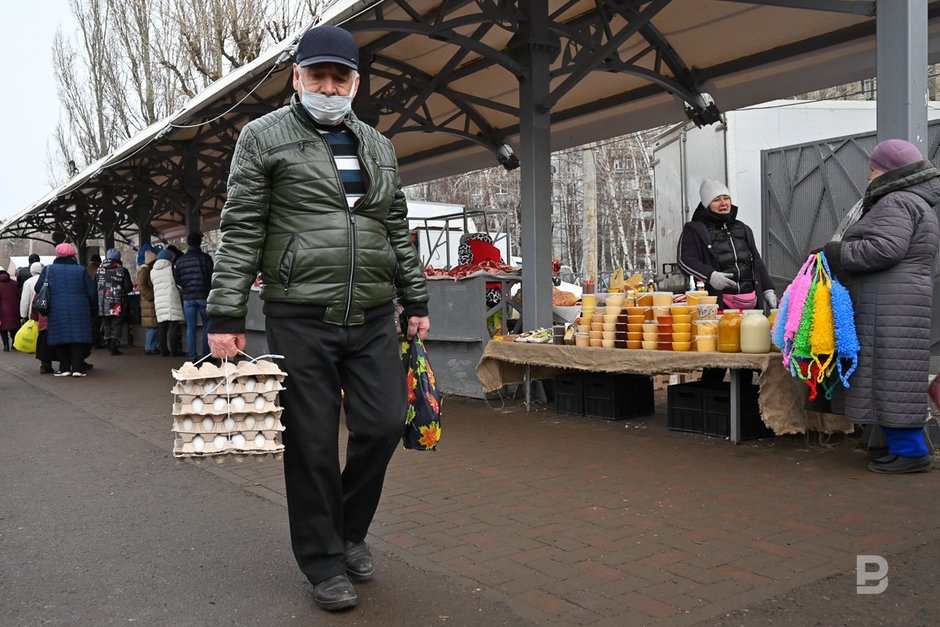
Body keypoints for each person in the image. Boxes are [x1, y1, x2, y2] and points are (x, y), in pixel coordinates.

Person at [206, 25, 430, 612]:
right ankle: (324, 561)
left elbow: (395, 229)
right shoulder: (262, 138)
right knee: (309, 441)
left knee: (382, 426)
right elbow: (242, 229)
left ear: (356, 83)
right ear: (297, 79)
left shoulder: (378, 145)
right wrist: (226, 312)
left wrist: (417, 301)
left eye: (340, 78)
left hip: (375, 313)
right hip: (300, 314)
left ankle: (348, 530)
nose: (328, 87)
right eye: (317, 76)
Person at [823, 139, 940, 474]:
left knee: (891, 375)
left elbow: (884, 249)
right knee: (896, 375)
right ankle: (901, 447)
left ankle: (911, 454)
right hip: (900, 303)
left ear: (889, 170)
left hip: (890, 306)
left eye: (873, 169)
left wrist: (837, 253)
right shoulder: (917, 201)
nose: (869, 177)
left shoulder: (897, 201)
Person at [678, 180, 777, 383]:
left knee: (745, 358)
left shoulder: (743, 228)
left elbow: (756, 261)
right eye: (717, 199)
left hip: (750, 307)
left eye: (726, 198)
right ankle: (712, 402)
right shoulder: (695, 229)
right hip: (719, 307)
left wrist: (768, 289)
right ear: (706, 204)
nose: (723, 203)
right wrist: (710, 276)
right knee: (716, 360)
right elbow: (685, 260)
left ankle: (742, 404)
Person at [34, 243, 96, 376]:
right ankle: (78, 369)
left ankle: (64, 368)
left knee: (60, 337)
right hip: (80, 308)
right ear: (73, 255)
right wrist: (93, 310)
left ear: (57, 255)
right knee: (78, 338)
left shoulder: (48, 270)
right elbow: (92, 292)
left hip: (57, 308)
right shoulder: (81, 270)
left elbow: (38, 288)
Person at [174, 232, 213, 361]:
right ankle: (206, 356)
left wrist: (186, 286)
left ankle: (193, 357)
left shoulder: (180, 260)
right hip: (203, 295)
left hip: (188, 297)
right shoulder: (205, 258)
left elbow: (177, 279)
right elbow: (211, 276)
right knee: (207, 324)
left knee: (190, 327)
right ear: (199, 243)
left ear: (188, 243)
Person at [96, 248, 133, 355]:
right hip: (117, 303)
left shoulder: (99, 270)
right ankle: (113, 348)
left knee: (106, 324)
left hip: (102, 303)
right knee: (116, 325)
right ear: (119, 258)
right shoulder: (122, 270)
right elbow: (128, 287)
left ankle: (108, 345)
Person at [19, 261, 53, 373]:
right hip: (53, 317)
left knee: (43, 340)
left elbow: (25, 300)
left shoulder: (29, 282)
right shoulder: (52, 280)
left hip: (40, 315)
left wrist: (24, 315)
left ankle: (45, 364)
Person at [150, 249, 185, 357]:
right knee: (173, 326)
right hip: (171, 299)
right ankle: (174, 351)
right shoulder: (171, 268)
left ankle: (163, 351)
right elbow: (178, 284)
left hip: (159, 301)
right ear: (169, 258)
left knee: (162, 327)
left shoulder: (153, 271)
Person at [137, 247, 161, 355]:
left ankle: (150, 346)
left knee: (152, 326)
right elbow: (141, 286)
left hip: (147, 302)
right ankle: (150, 347)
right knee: (153, 326)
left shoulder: (144, 270)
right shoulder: (145, 271)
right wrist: (152, 295)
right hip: (149, 302)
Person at [0, 269, 19, 351]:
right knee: (14, 328)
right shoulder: (15, 283)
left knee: (3, 329)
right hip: (14, 310)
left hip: (1, 311)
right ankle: (14, 344)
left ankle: (6, 346)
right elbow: (19, 295)